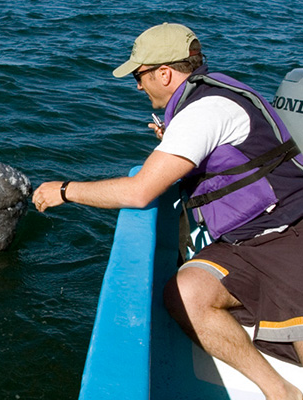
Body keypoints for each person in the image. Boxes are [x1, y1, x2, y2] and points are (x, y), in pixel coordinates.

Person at [32, 23, 303, 400]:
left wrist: (65, 190)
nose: (138, 86)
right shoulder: (207, 98)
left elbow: (141, 192)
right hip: (245, 240)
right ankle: (280, 391)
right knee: (183, 295)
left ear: (164, 73)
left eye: (139, 76)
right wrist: (172, 138)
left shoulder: (203, 112)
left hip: (289, 234)